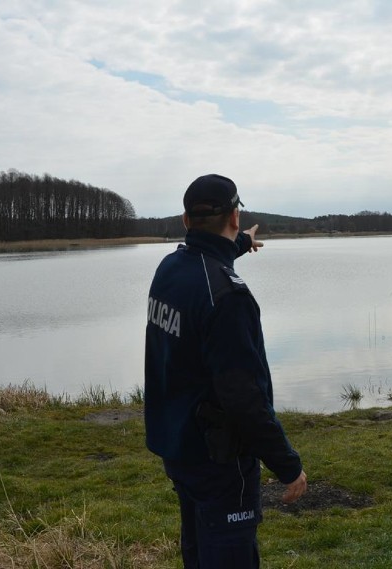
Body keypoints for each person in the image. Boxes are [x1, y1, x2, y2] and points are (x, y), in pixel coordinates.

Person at [144, 173, 307, 568]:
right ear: (235, 215)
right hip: (219, 460)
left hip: (178, 446)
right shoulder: (228, 297)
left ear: (185, 221)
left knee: (198, 551)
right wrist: (288, 466)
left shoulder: (170, 269)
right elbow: (244, 398)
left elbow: (208, 256)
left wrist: (241, 242)